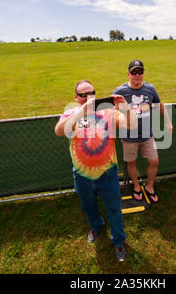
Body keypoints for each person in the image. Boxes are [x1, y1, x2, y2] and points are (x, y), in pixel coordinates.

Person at [54, 79, 137, 261]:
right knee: (88, 206)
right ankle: (96, 226)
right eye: (82, 95)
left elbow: (131, 125)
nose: (87, 97)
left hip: (107, 173)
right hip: (81, 175)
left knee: (114, 209)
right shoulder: (71, 114)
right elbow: (59, 131)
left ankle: (119, 241)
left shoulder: (107, 112)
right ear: (76, 98)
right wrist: (80, 113)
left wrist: (126, 108)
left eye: (91, 93)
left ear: (96, 95)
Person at [112, 60, 173, 203]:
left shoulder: (150, 89)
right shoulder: (120, 91)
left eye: (140, 72)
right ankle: (137, 186)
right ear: (128, 74)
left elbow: (159, 105)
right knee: (131, 163)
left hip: (147, 135)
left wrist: (168, 123)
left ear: (143, 73)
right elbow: (111, 111)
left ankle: (150, 187)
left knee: (154, 161)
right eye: (134, 72)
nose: (137, 75)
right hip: (128, 137)